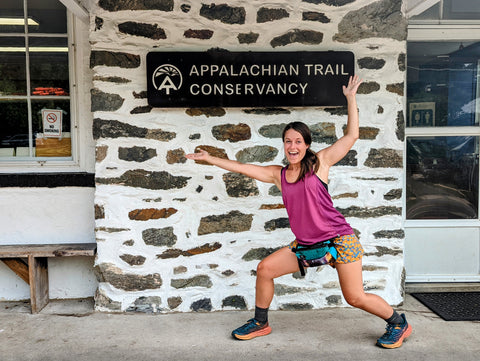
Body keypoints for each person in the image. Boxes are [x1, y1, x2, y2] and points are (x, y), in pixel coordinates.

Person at [185, 75, 412, 349]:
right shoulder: (278, 175)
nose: (292, 146)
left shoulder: (321, 164)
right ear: (284, 145)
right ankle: (260, 322)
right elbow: (242, 167)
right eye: (288, 141)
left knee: (354, 297)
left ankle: (399, 323)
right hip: (306, 245)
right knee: (265, 269)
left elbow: (352, 136)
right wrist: (210, 158)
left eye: (298, 141)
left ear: (306, 145)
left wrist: (350, 98)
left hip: (339, 240)